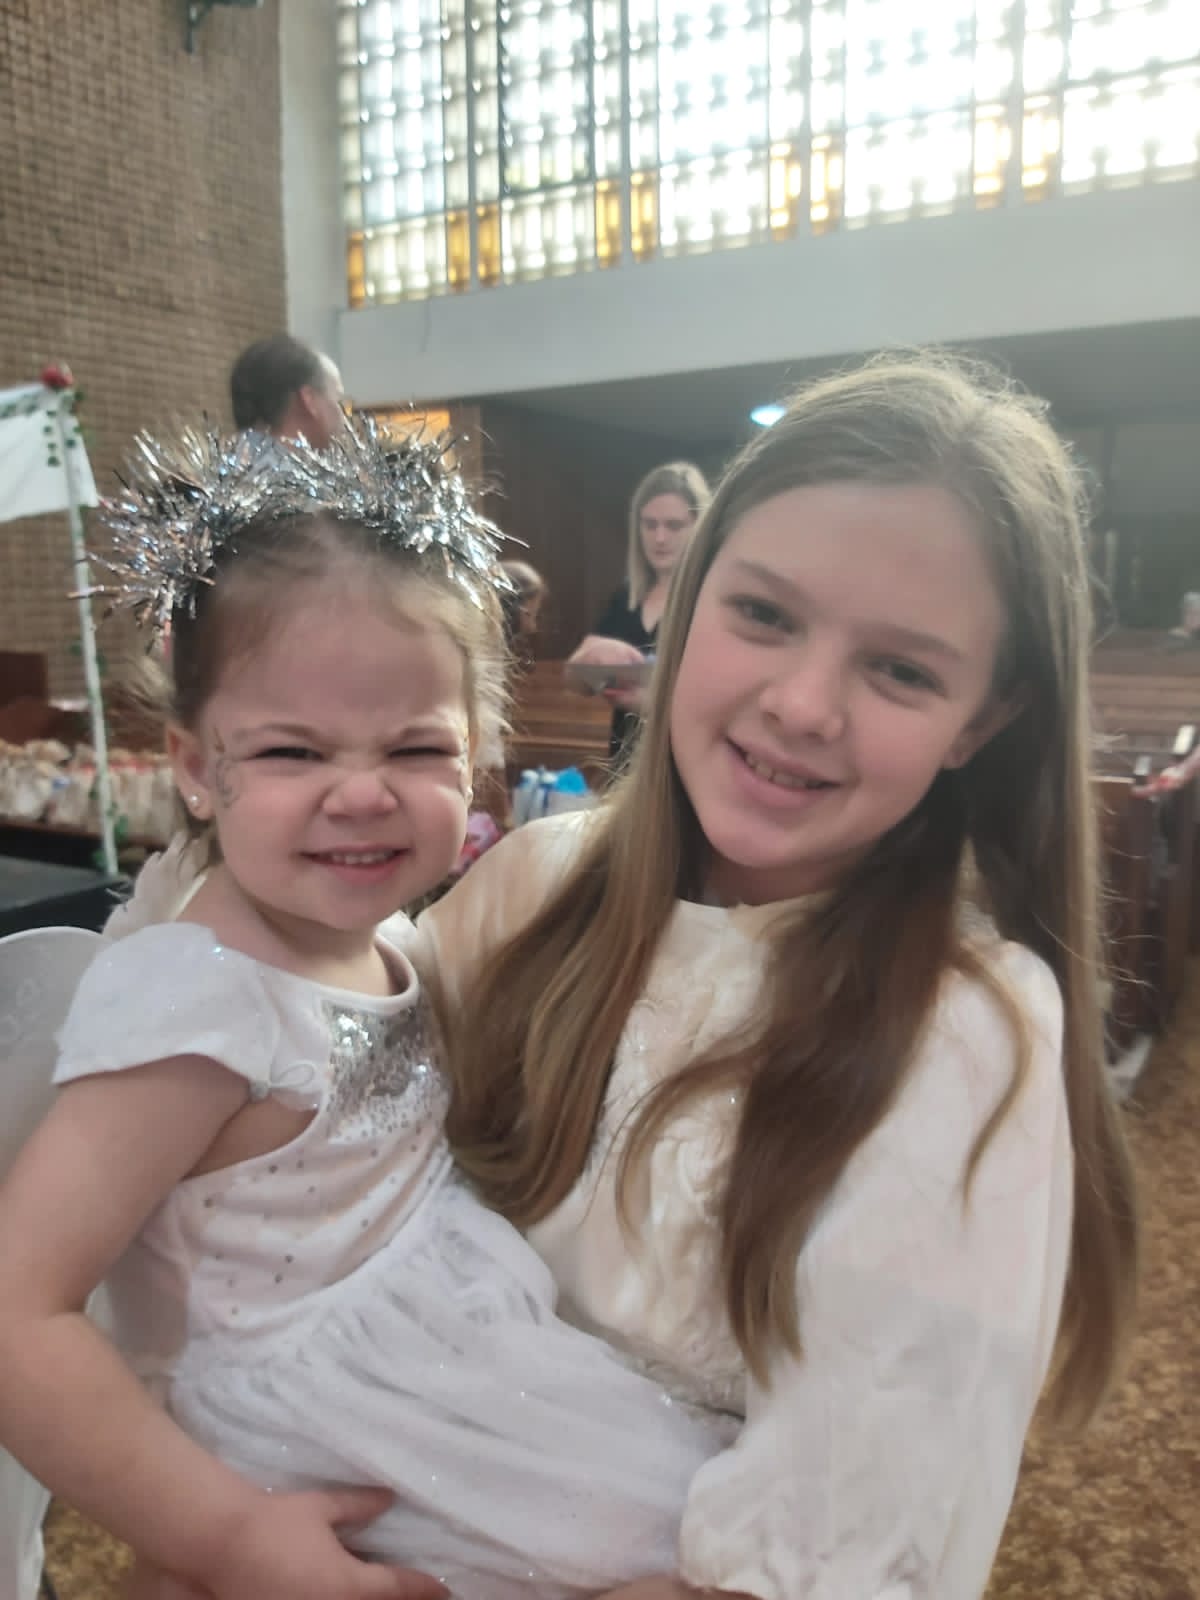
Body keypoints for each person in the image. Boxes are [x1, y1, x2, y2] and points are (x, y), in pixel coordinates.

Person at [420, 353, 1140, 1600]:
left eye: (901, 670)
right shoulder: (531, 886)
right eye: (763, 613)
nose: (805, 704)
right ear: (687, 597)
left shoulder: (961, 1034)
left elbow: (838, 1556)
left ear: (980, 722)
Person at [0, 424, 721, 1600]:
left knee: (722, 1530)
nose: (362, 792)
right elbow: (17, 1309)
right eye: (293, 750)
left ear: (477, 754)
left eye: (416, 746)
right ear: (196, 766)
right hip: (319, 1436)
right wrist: (228, 1539)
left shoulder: (387, 941)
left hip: (456, 1348)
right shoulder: (199, 999)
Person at [567, 461, 709, 762]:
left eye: (673, 526)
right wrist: (590, 660)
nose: (659, 538)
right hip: (625, 760)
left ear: (699, 527)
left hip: (681, 763)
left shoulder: (710, 599)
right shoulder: (628, 596)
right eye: (649, 524)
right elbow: (575, 682)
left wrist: (654, 705)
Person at [229, 332, 346, 449]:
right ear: (309, 399)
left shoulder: (234, 457)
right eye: (339, 401)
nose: (345, 419)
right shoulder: (283, 459)